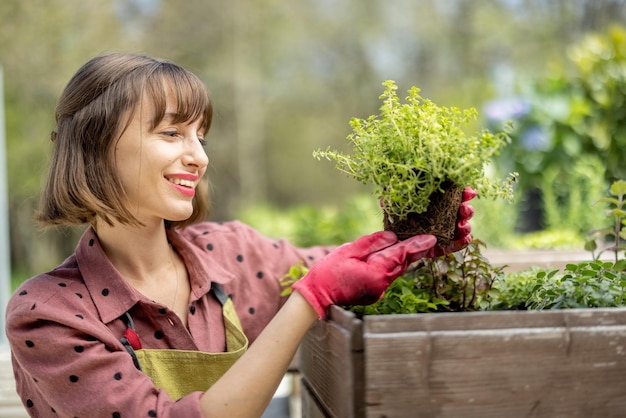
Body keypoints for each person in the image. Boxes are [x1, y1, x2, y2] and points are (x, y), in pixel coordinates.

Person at [5, 52, 476, 418]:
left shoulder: (228, 255)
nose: (199, 157)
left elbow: (343, 268)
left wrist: (421, 241)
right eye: (172, 133)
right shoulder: (49, 314)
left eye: (200, 137)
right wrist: (307, 299)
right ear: (94, 144)